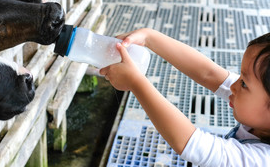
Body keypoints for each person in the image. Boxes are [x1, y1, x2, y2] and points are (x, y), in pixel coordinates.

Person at [99, 28, 270, 166]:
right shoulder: (260, 111)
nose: (233, 86)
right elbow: (209, 74)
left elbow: (189, 143)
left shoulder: (261, 160)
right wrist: (149, 37)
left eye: (244, 83)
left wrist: (135, 82)